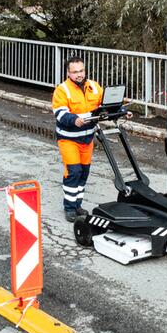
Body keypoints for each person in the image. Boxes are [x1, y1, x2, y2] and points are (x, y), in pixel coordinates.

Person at [51, 57, 103, 222]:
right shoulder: (62, 90)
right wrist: (74, 120)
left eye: (81, 71)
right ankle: (69, 208)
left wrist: (122, 110)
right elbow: (60, 113)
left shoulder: (94, 87)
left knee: (84, 173)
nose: (79, 75)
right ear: (68, 73)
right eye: (75, 72)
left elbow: (106, 105)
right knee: (73, 172)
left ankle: (77, 204)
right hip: (69, 139)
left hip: (87, 138)